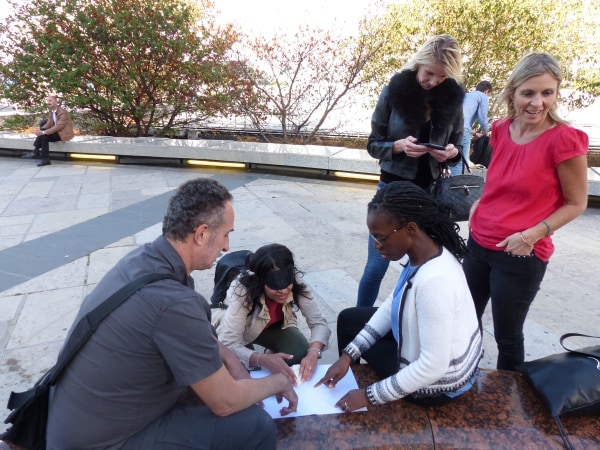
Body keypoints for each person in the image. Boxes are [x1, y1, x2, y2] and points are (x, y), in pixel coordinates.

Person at [46, 178, 297, 449]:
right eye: (226, 234)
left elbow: (198, 338)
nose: (227, 246)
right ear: (201, 234)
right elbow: (225, 402)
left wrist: (234, 363)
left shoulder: (145, 260)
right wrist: (280, 380)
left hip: (74, 420)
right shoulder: (174, 303)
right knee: (255, 425)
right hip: (101, 442)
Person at [462, 53, 588, 371]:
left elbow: (577, 203)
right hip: (478, 244)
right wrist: (482, 201)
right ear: (513, 92)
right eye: (528, 93)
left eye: (547, 92)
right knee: (463, 322)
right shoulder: (502, 128)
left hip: (521, 253)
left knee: (507, 336)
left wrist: (531, 234)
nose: (537, 102)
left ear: (557, 93)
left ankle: (507, 410)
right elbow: (502, 175)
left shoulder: (565, 140)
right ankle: (459, 382)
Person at [316, 181, 482, 412]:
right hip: (427, 353)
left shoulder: (434, 282)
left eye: (381, 238)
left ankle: (358, 391)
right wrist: (347, 356)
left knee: (354, 327)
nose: (376, 245)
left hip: (437, 386)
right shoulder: (425, 252)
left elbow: (433, 366)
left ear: (411, 229)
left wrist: (368, 395)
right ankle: (350, 375)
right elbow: (393, 305)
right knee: (349, 319)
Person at [357, 34, 465, 307]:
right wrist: (398, 146)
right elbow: (372, 144)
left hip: (429, 195)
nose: (433, 82)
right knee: (375, 267)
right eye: (430, 73)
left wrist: (451, 152)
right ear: (419, 62)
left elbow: (459, 146)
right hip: (391, 194)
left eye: (441, 78)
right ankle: (359, 325)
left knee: (421, 266)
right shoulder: (394, 91)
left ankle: (401, 319)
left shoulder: (452, 99)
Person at [214, 243, 331, 384]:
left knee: (299, 351)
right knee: (241, 372)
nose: (282, 291)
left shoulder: (294, 282)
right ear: (261, 282)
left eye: (286, 283)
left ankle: (272, 357)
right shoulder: (241, 290)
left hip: (270, 326)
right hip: (240, 330)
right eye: (275, 286)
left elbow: (318, 322)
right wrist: (260, 359)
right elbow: (229, 343)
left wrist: (314, 352)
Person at [450, 80, 493, 175]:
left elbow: (463, 119)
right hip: (461, 129)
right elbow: (482, 117)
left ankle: (446, 183)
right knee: (461, 160)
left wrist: (474, 133)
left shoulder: (467, 96)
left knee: (450, 156)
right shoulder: (483, 97)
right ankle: (455, 187)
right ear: (486, 91)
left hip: (450, 127)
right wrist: (486, 131)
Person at [21, 95, 74, 166]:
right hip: (56, 132)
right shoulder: (52, 111)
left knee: (43, 135)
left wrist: (43, 132)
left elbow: (58, 127)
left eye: (50, 101)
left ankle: (36, 152)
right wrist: (40, 130)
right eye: (47, 101)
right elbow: (49, 123)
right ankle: (45, 159)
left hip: (63, 134)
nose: (48, 102)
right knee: (44, 137)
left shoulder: (62, 112)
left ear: (56, 102)